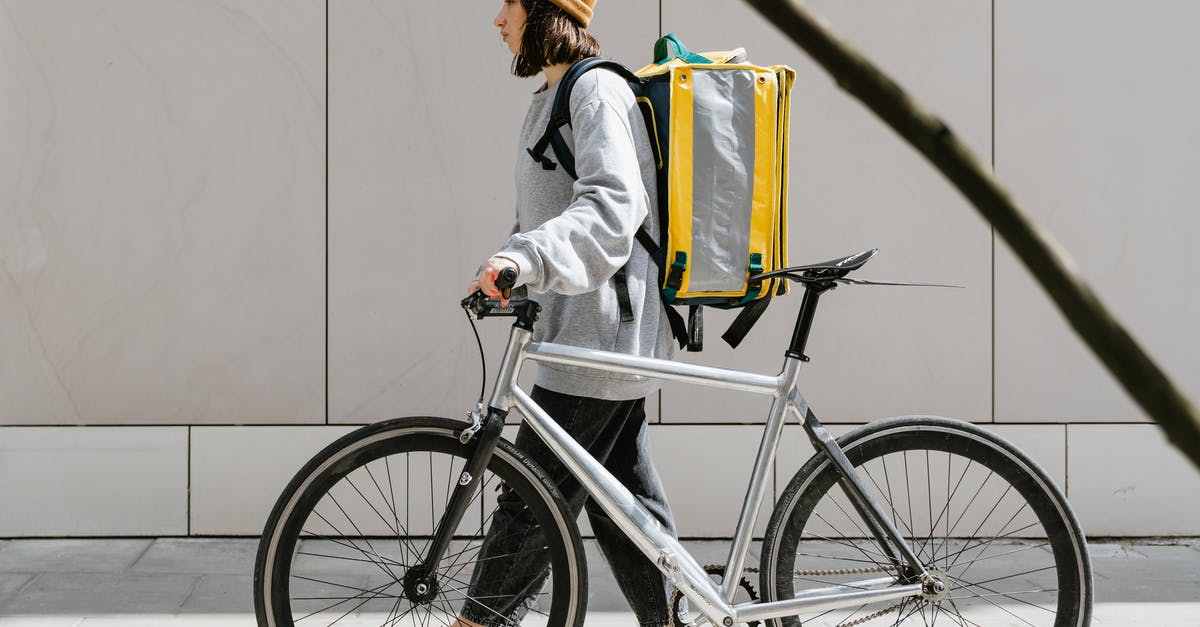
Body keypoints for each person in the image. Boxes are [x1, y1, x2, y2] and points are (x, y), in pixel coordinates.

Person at [453, 0, 678, 625]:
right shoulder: (553, 96)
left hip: (600, 336)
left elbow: (612, 208)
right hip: (585, 333)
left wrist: (523, 258)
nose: (497, 20)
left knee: (532, 503)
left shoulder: (596, 90)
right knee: (625, 513)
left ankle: (475, 622)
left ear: (545, 11)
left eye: (509, 5)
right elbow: (546, 219)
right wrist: (511, 269)